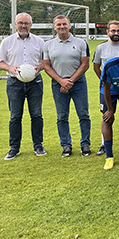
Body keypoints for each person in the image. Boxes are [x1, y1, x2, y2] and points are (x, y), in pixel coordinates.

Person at [0, 13, 46, 160]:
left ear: (31, 25)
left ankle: (38, 145)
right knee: (15, 116)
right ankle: (14, 148)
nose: (24, 26)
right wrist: (10, 68)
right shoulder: (7, 42)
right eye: (21, 23)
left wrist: (40, 67)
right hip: (14, 83)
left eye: (27, 23)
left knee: (36, 115)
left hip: (35, 83)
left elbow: (46, 61)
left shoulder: (39, 41)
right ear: (15, 24)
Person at [42, 15, 91, 157]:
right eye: (58, 25)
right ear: (54, 27)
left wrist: (70, 81)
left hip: (78, 83)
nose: (61, 27)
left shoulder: (81, 42)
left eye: (64, 24)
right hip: (58, 85)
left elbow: (85, 64)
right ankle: (66, 145)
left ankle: (85, 144)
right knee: (62, 116)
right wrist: (61, 81)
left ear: (70, 25)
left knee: (83, 114)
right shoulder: (48, 45)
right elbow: (46, 66)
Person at [93, 20, 119, 155]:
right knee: (107, 116)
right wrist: (104, 82)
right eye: (113, 31)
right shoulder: (100, 48)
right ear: (107, 32)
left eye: (118, 30)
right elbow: (96, 67)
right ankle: (104, 144)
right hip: (107, 90)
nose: (116, 33)